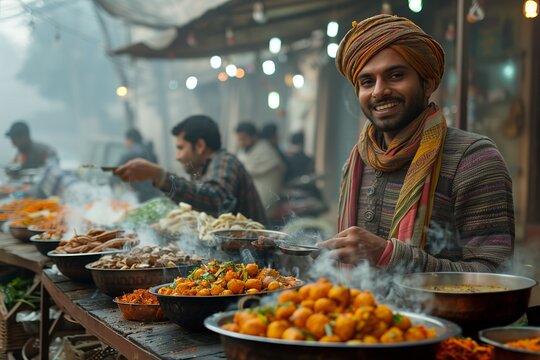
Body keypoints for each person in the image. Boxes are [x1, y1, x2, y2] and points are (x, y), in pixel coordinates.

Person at [317, 14, 514, 273]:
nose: (378, 91)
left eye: (395, 75)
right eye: (367, 82)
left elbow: (494, 276)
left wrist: (389, 256)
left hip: (440, 315)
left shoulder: (473, 159)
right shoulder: (357, 161)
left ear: (428, 82)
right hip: (359, 313)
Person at [114, 115, 267, 224]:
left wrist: (160, 176)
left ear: (200, 146)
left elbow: (215, 200)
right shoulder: (203, 169)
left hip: (254, 260)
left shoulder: (225, 161)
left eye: (180, 148)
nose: (177, 156)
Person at [235, 122, 287, 215]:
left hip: (264, 204)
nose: (241, 142)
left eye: (244, 138)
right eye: (239, 139)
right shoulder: (244, 152)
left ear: (254, 137)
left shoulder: (265, 151)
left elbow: (244, 170)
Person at [116, 128, 161, 202]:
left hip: (141, 194)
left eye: (126, 140)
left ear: (130, 140)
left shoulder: (130, 154)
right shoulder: (150, 151)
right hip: (155, 191)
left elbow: (117, 172)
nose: (125, 143)